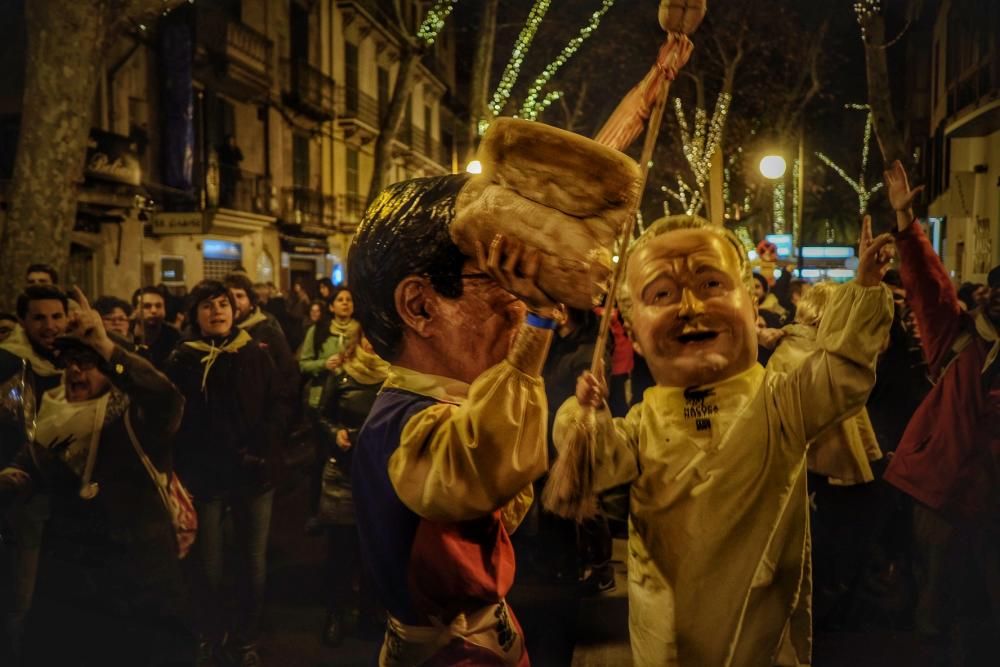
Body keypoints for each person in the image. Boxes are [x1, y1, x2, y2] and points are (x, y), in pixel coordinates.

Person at [559, 213, 893, 666]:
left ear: (752, 308)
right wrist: (589, 414)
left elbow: (841, 370)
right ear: (633, 332)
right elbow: (599, 463)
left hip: (759, 634)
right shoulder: (643, 421)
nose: (691, 309)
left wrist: (866, 288)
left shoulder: (782, 400)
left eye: (712, 285)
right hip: (667, 634)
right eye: (662, 294)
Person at [349, 174, 556, 665]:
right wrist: (539, 329)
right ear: (419, 306)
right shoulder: (403, 423)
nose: (519, 305)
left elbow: (502, 503)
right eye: (499, 281)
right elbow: (482, 468)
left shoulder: (442, 406)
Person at [0, 288, 189, 665]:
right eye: (69, 361)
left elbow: (166, 398)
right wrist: (13, 477)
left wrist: (107, 347)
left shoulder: (135, 417)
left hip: (137, 577)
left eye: (87, 362)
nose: (74, 370)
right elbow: (32, 465)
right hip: (72, 578)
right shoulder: (55, 410)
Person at [880, 160, 1000, 649]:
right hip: (943, 494)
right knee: (937, 607)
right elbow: (930, 290)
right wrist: (907, 227)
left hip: (990, 501)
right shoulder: (959, 337)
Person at [164, 280, 286, 667]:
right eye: (207, 306)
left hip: (253, 473)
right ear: (193, 314)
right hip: (207, 477)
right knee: (208, 565)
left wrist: (264, 447)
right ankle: (210, 634)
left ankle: (246, 637)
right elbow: (171, 419)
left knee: (252, 561)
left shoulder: (254, 353)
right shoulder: (182, 360)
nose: (218, 311)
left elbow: (280, 403)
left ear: (236, 311)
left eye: (224, 304)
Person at [0, 286, 69, 659]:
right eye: (39, 317)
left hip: (69, 497)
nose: (50, 326)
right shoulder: (7, 363)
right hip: (23, 498)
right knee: (20, 598)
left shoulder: (73, 359)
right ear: (23, 322)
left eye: (57, 316)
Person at [313, 334, 389, 646]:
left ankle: (371, 613)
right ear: (358, 339)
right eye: (367, 336)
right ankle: (335, 613)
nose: (372, 343)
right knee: (340, 550)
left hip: (381, 472)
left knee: (375, 550)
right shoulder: (341, 373)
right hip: (344, 472)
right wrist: (335, 433)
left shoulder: (395, 375)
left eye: (378, 336)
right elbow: (321, 414)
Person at [224, 273, 299, 421]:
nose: (234, 302)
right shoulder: (221, 332)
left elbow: (288, 374)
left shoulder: (267, 330)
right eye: (230, 297)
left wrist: (277, 420)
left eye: (240, 296)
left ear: (251, 302)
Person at [299, 287, 359, 411]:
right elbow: (303, 364)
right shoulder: (318, 330)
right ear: (331, 307)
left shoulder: (361, 332)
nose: (345, 303)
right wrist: (324, 364)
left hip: (353, 397)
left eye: (349, 300)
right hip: (323, 395)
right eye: (340, 300)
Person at [134, 286, 180, 370]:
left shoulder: (174, 336)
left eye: (158, 306)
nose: (154, 311)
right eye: (147, 306)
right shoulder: (127, 334)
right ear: (135, 310)